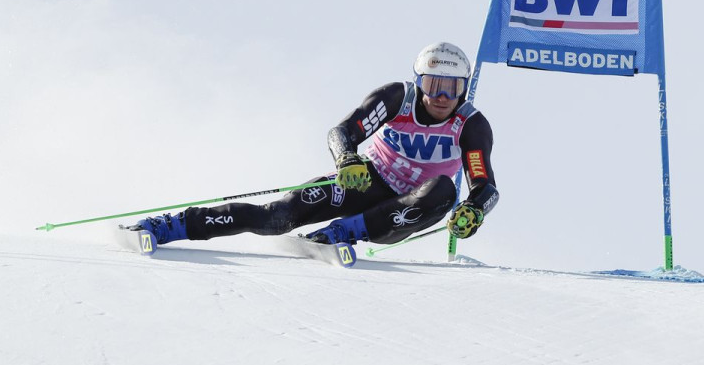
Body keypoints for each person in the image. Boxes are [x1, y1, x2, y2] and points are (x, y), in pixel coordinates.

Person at [133, 42, 499, 247]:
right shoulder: (397, 98)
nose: (442, 96)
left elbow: (484, 185)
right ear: (419, 82)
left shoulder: (471, 124)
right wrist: (347, 159)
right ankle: (173, 226)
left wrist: (474, 210)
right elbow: (343, 131)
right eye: (434, 85)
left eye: (452, 87)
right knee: (275, 217)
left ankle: (342, 233)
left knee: (444, 190)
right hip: (367, 182)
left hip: (413, 207)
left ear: (464, 87)